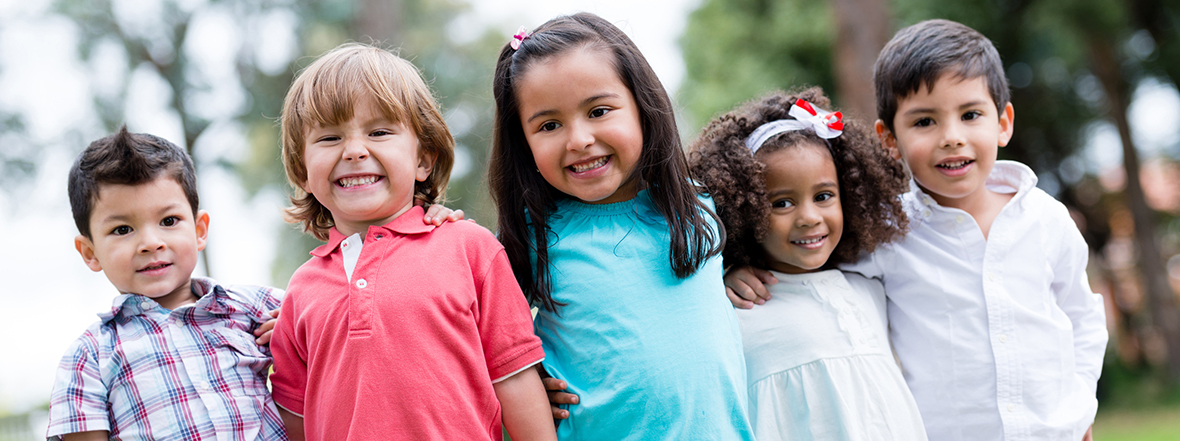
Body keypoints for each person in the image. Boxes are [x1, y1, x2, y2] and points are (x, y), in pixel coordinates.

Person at [724, 19, 1107, 441]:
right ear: (889, 138)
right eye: (925, 122)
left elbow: (1082, 318)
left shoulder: (1045, 219)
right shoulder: (888, 232)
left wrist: (1080, 406)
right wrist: (739, 267)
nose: (951, 137)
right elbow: (805, 253)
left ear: (1002, 123)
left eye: (971, 115)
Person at [268, 43, 554, 441]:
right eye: (330, 138)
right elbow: (294, 419)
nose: (354, 151)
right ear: (302, 170)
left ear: (424, 159)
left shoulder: (471, 249)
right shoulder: (301, 291)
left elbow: (516, 379)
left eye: (379, 132)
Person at [489, 13, 754, 440]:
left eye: (598, 110)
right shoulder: (534, 234)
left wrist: (737, 272)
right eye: (549, 125)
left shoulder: (696, 204)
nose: (578, 139)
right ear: (524, 143)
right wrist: (523, 383)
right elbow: (481, 337)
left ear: (643, 107)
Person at [690, 87, 926, 441]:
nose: (809, 217)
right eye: (782, 203)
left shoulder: (870, 286)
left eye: (824, 196)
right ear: (745, 211)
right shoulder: (737, 311)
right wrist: (723, 276)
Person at [47, 127, 288, 441]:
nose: (150, 242)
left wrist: (299, 327)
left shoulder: (256, 309)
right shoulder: (90, 357)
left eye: (169, 221)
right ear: (90, 252)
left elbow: (338, 328)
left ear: (199, 230)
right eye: (122, 229)